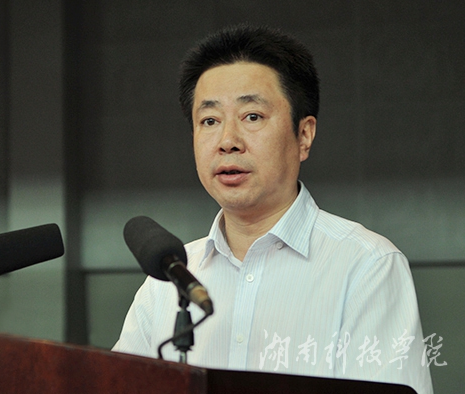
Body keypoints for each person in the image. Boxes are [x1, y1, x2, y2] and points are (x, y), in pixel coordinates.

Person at [112, 24, 433, 394]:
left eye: (252, 116)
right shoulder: (169, 281)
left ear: (304, 135)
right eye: (210, 121)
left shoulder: (366, 266)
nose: (227, 141)